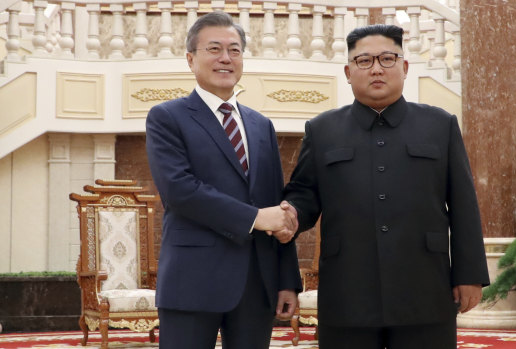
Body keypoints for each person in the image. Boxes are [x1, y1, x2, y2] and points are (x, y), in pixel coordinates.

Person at [281, 24, 490, 348]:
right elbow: (305, 194)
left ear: (404, 67)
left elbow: (463, 204)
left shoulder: (440, 125)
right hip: (348, 290)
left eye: (387, 58)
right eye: (364, 61)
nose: (376, 68)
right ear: (349, 72)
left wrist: (469, 274)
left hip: (425, 287)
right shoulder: (322, 130)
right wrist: (291, 213)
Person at [145, 12, 302, 349]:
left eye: (234, 50)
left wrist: (287, 280)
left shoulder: (261, 125)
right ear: (190, 59)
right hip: (192, 279)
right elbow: (180, 190)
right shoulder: (166, 117)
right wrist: (255, 218)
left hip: (256, 282)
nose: (225, 58)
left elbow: (277, 203)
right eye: (214, 49)